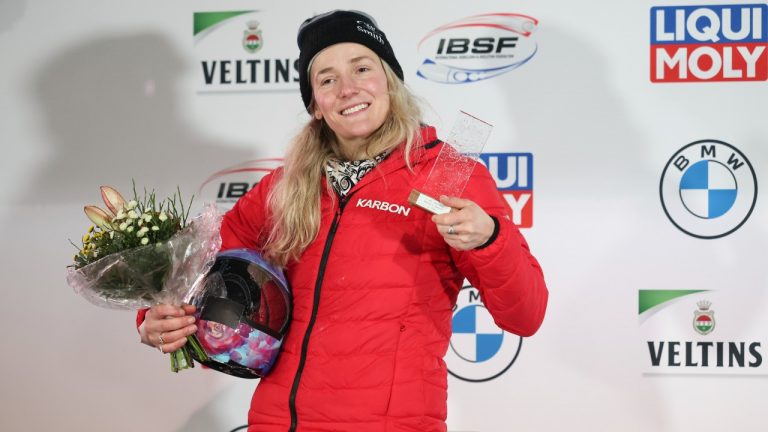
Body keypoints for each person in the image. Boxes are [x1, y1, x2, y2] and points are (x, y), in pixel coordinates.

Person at [137, 10, 548, 432]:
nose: (348, 89)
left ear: (389, 80)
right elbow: (193, 270)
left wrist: (489, 239)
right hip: (280, 422)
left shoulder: (446, 174)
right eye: (328, 79)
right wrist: (158, 314)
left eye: (362, 68)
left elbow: (526, 314)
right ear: (315, 104)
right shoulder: (285, 186)